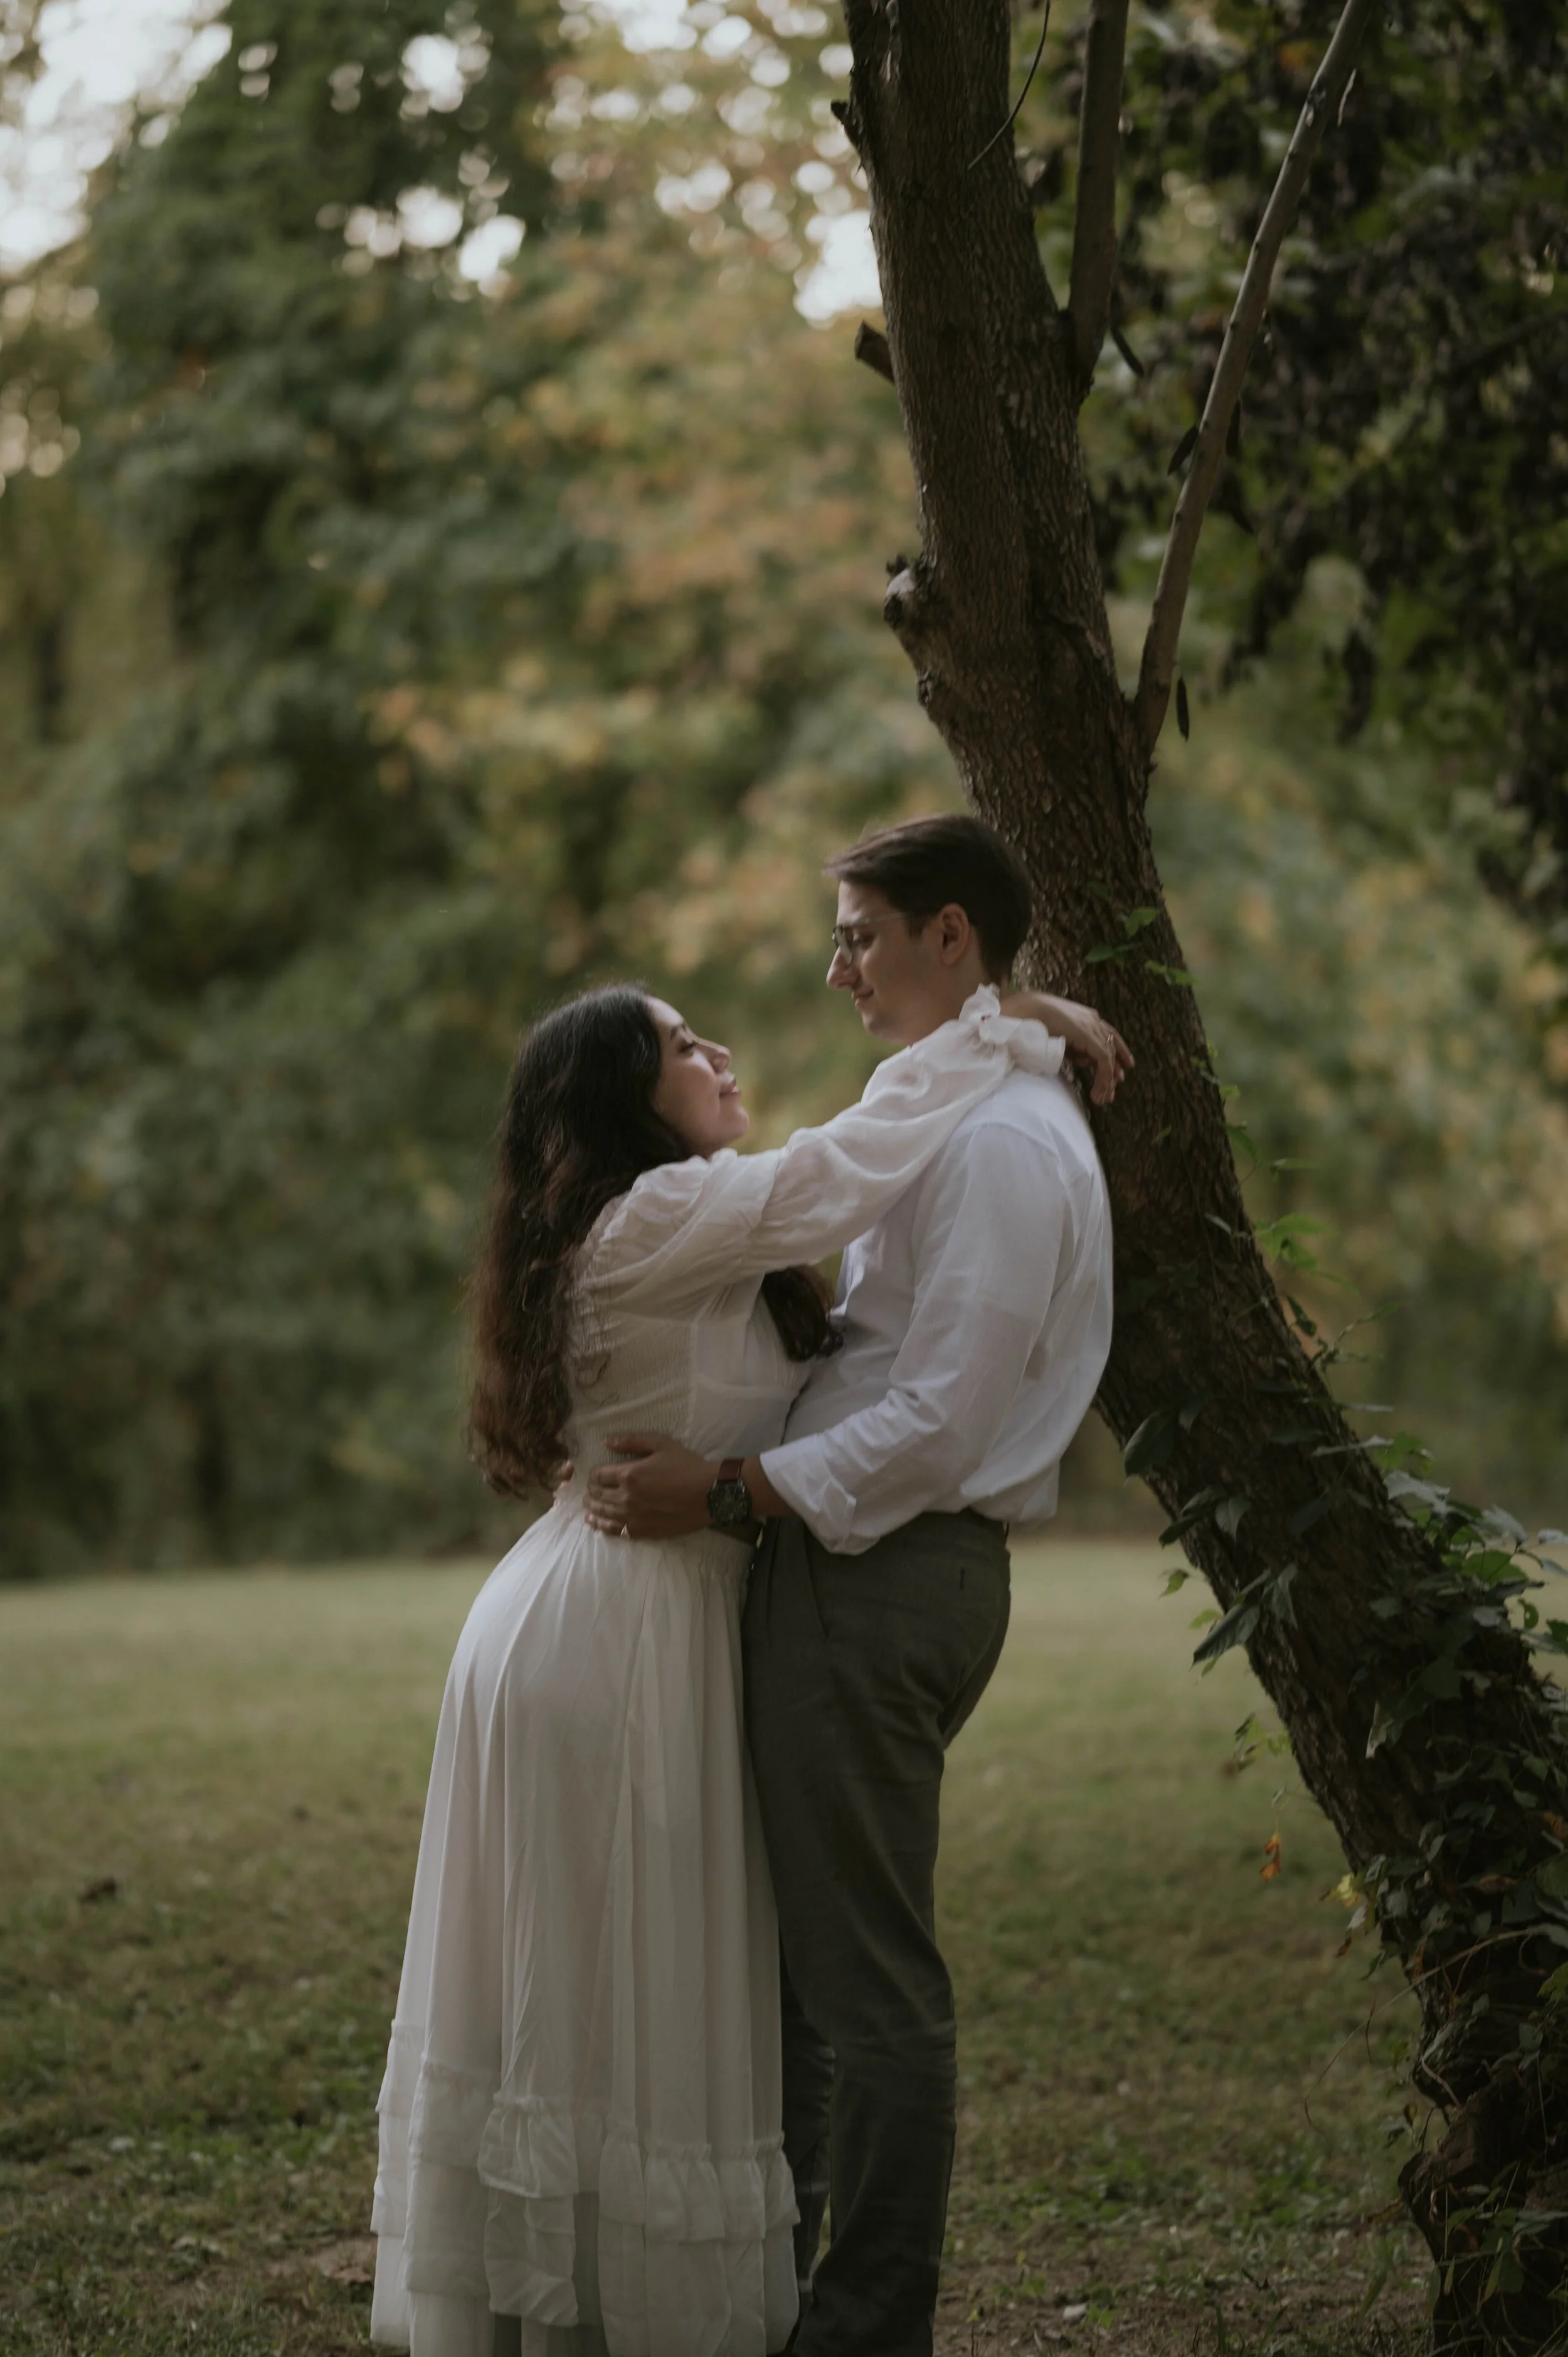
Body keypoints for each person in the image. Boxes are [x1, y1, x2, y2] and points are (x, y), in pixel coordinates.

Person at [369, 944, 1126, 2357]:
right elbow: (847, 1166)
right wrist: (1007, 1017)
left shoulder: (687, 1222)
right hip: (612, 1628)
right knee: (608, 1982)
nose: (718, 1055)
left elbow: (835, 1205)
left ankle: (617, 2304)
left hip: (662, 1600)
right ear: (620, 1102)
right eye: (680, 1044)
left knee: (646, 1976)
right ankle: (591, 2312)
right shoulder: (651, 1215)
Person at [583, 815, 1122, 2357]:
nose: (834, 972)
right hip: (862, 1571)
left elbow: (937, 1421)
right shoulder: (967, 1112)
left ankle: (859, 2326)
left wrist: (734, 1489)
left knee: (864, 1988)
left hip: (880, 1574)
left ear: (949, 936)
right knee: (813, 1984)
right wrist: (1019, 1015)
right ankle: (778, 2290)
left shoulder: (1012, 1151)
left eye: (859, 936)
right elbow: (876, 1128)